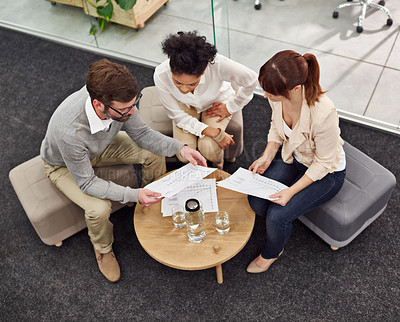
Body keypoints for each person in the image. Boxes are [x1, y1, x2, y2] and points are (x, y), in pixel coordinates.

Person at [40, 58, 206, 283]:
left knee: (153, 153)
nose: (132, 112)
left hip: (100, 146)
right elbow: (87, 183)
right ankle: (103, 249)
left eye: (134, 103)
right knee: (98, 209)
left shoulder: (119, 102)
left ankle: (155, 199)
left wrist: (182, 149)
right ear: (100, 105)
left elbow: (144, 135)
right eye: (125, 109)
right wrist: (132, 195)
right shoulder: (70, 133)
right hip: (62, 165)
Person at [246, 50, 346, 273]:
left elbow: (323, 163)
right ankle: (283, 220)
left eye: (271, 93)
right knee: (257, 201)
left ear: (295, 89)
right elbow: (276, 127)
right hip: (295, 156)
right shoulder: (279, 99)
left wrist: (291, 192)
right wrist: (266, 156)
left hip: (326, 172)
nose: (265, 97)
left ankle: (272, 252)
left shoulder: (324, 113)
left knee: (277, 215)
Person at [154, 31, 258, 169]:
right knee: (184, 152)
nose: (184, 89)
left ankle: (218, 167)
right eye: (177, 83)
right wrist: (211, 131)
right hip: (185, 105)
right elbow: (177, 115)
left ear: (203, 71)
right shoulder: (161, 74)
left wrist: (231, 106)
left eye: (192, 84)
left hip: (216, 102)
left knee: (209, 147)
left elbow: (251, 80)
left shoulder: (219, 64)